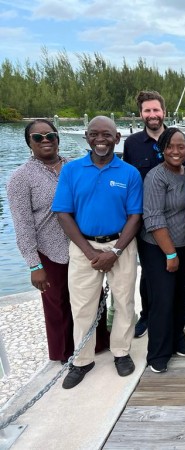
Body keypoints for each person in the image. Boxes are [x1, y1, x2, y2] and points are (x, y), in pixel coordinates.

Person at [7, 120, 109, 364]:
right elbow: (23, 226)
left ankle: (98, 344)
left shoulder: (75, 168)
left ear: (58, 139)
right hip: (50, 250)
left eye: (50, 136)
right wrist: (34, 265)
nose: (45, 141)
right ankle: (66, 353)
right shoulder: (21, 178)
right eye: (38, 137)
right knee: (59, 304)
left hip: (84, 246)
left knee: (91, 298)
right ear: (28, 142)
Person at [53, 116, 143, 389]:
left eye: (106, 135)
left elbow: (135, 216)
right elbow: (63, 213)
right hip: (84, 246)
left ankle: (121, 351)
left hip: (121, 246)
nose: (100, 139)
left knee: (125, 301)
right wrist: (89, 251)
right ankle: (82, 360)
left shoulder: (129, 173)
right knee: (82, 305)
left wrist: (114, 251)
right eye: (94, 134)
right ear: (87, 138)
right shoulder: (71, 171)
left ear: (117, 138)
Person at [123, 90, 185, 339]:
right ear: (141, 114)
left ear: (163, 111)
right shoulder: (132, 144)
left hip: (178, 222)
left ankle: (182, 311)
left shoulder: (179, 140)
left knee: (180, 278)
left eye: (156, 110)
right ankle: (147, 315)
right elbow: (129, 180)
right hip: (147, 223)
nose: (152, 115)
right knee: (151, 274)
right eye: (147, 110)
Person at [138, 128, 185, 373]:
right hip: (158, 248)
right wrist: (170, 254)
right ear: (162, 149)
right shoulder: (155, 177)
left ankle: (177, 340)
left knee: (180, 298)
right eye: (170, 146)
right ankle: (158, 353)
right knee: (162, 300)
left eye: (181, 147)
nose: (176, 151)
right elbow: (153, 218)